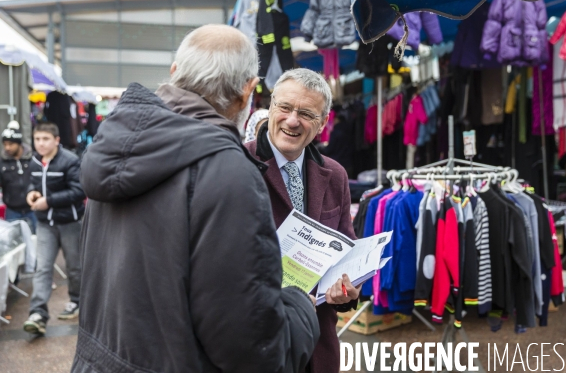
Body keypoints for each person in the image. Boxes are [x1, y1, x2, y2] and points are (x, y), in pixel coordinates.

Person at [70, 25, 319, 373]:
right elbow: (250, 347)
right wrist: (301, 310)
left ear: (175, 72)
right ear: (248, 91)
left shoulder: (114, 145)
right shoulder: (227, 171)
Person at [245, 68, 360, 373]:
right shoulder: (238, 164)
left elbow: (345, 259)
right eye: (284, 107)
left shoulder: (335, 175)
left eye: (306, 113)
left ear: (322, 123)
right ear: (270, 108)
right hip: (256, 346)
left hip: (317, 347)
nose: (293, 120)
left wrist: (347, 290)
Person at [23, 122, 86, 335]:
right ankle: (38, 313)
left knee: (75, 267)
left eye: (45, 139)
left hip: (70, 222)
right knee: (42, 268)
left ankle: (77, 301)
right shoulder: (33, 161)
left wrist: (49, 201)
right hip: (44, 224)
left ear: (56, 140)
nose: (40, 144)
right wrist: (31, 193)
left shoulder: (70, 160)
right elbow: (32, 184)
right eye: (37, 139)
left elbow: (79, 191)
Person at [0, 121, 36, 232]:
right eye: (5, 144)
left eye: (11, 144)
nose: (7, 147)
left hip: (33, 209)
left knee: (37, 242)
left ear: (19, 143)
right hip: (12, 210)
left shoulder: (33, 159)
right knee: (13, 244)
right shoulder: (2, 162)